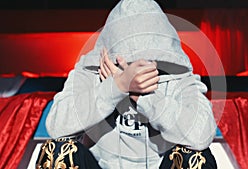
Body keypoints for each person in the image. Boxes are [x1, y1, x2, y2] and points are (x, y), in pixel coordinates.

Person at [42, 0, 218, 168]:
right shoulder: (91, 71)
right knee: (57, 151)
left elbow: (201, 135)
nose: (135, 70)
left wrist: (143, 97)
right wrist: (116, 86)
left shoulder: (178, 77)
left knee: (196, 158)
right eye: (129, 63)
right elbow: (57, 126)